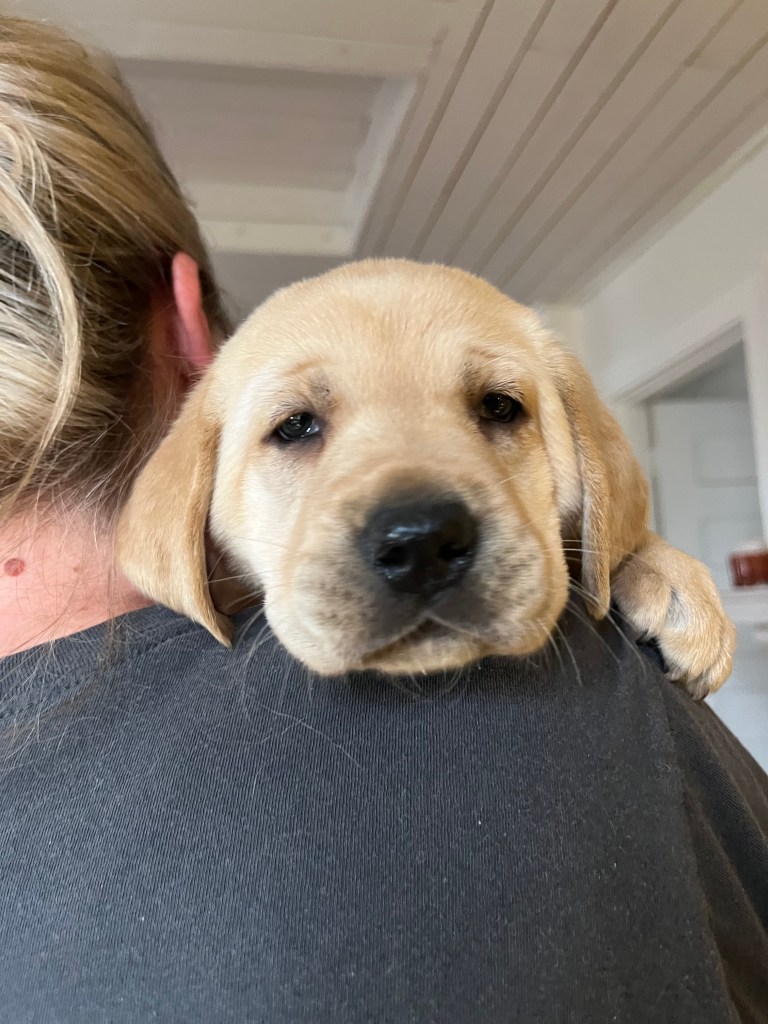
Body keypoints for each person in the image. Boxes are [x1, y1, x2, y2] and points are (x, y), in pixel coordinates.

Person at [0, 15, 766, 1024]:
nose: (415, 525)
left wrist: (621, 557)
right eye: (298, 427)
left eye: (497, 408)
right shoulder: (596, 717)